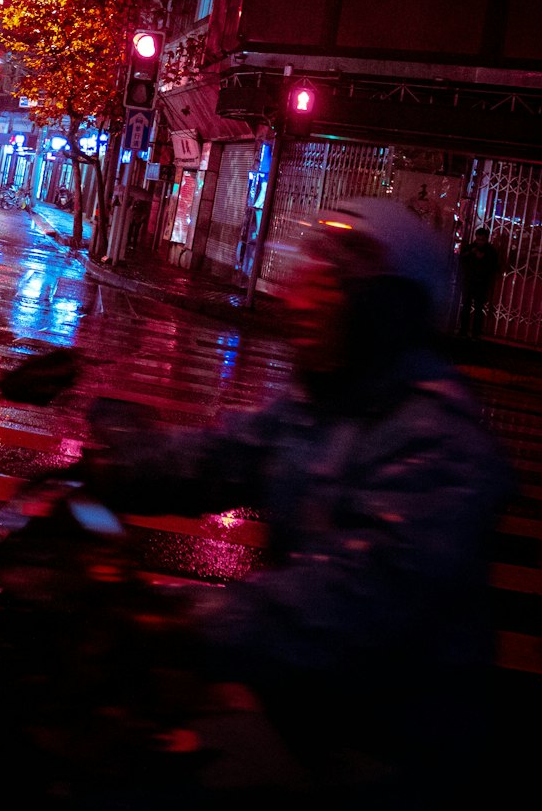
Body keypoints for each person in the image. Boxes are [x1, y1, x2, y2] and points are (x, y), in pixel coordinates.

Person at [86, 198, 514, 806]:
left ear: (385, 309)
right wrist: (127, 463)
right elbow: (231, 454)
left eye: (332, 288)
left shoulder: (437, 441)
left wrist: (180, 621)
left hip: (384, 747)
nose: (300, 304)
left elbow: (352, 592)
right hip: (304, 706)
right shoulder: (327, 403)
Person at [458, 226, 500, 339]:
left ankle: (476, 332)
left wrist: (483, 258)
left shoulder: (490, 251)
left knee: (478, 308)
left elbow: (494, 266)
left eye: (482, 239)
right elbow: (461, 259)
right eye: (478, 239)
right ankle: (463, 330)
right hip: (470, 281)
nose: (480, 242)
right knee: (466, 306)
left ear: (486, 239)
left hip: (481, 283)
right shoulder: (471, 248)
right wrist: (471, 254)